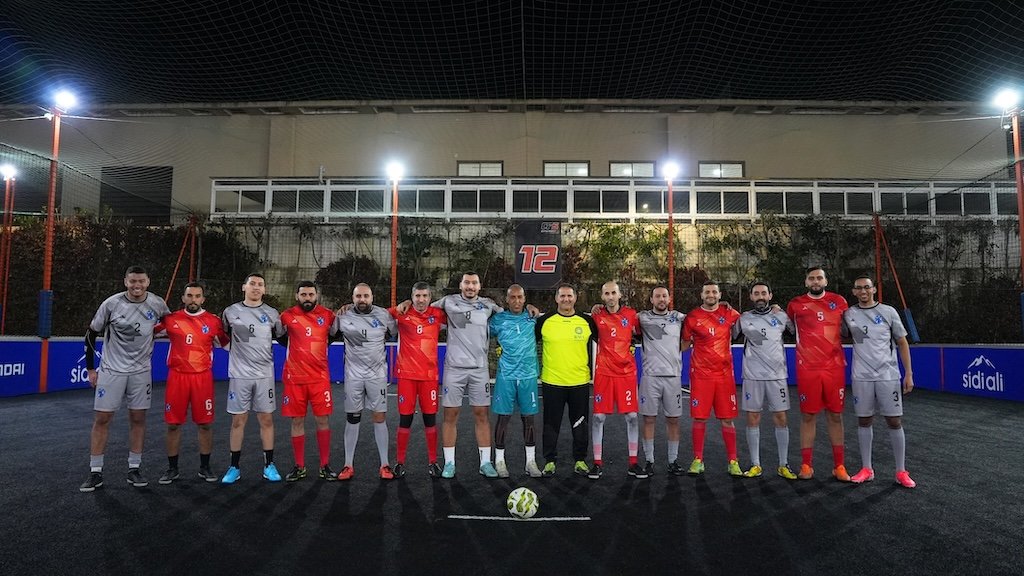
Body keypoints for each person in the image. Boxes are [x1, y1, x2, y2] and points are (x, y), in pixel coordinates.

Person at [80, 265, 171, 492]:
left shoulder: (157, 303)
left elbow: (172, 326)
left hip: (141, 371)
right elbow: (91, 333)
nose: (137, 285)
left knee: (138, 418)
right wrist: (91, 369)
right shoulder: (112, 304)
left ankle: (134, 469)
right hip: (111, 370)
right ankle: (95, 472)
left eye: (141, 281)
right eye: (132, 281)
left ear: (148, 282)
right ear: (125, 282)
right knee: (102, 419)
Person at [410, 272, 502, 478]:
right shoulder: (448, 302)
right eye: (467, 283)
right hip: (454, 369)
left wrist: (530, 309)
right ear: (460, 285)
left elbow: (511, 313)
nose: (470, 286)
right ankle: (449, 463)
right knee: (450, 415)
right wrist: (408, 303)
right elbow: (422, 307)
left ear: (479, 286)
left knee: (482, 415)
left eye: (474, 283)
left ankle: (485, 463)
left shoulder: (488, 305)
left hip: (479, 369)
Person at [843, 275, 916, 488]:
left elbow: (902, 342)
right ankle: (867, 469)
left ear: (874, 289)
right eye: (859, 288)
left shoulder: (888, 312)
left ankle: (901, 471)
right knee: (864, 420)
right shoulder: (848, 314)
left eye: (867, 287)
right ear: (854, 292)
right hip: (861, 376)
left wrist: (909, 373)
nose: (863, 291)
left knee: (894, 421)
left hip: (888, 375)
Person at [155, 281, 228, 484]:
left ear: (203, 299)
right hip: (177, 377)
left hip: (202, 378)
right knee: (173, 425)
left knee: (205, 424)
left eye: (197, 296)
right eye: (189, 296)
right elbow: (147, 333)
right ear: (183, 298)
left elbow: (227, 344)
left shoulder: (213, 321)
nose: (193, 300)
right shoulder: (171, 319)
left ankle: (205, 467)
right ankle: (172, 469)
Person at [786, 266, 851, 482]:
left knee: (835, 415)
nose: (815, 281)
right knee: (808, 416)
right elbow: (786, 326)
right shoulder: (795, 305)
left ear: (825, 281)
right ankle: (806, 465)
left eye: (819, 278)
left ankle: (839, 466)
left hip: (834, 368)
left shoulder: (839, 301)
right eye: (812, 278)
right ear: (806, 282)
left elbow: (849, 328)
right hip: (808, 369)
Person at [220, 273, 283, 484]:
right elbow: (222, 336)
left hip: (264, 375)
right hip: (240, 375)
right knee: (238, 421)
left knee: (266, 420)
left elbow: (281, 336)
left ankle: (269, 465)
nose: (256, 287)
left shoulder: (272, 314)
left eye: (260, 285)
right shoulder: (230, 312)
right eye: (252, 284)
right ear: (244, 287)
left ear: (264, 290)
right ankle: (234, 467)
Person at [335, 283, 398, 480]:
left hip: (377, 376)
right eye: (358, 296)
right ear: (352, 298)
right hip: (353, 377)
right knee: (352, 419)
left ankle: (385, 465)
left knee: (379, 417)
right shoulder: (343, 316)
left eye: (365, 296)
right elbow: (329, 334)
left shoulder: (383, 315)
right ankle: (348, 465)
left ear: (372, 297)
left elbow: (394, 333)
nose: (362, 299)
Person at [535, 283, 598, 477]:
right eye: (562, 296)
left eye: (569, 296)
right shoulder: (544, 321)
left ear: (575, 298)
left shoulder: (587, 321)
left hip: (579, 382)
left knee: (580, 423)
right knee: (550, 424)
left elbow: (607, 341)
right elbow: (527, 343)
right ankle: (549, 461)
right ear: (556, 298)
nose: (566, 299)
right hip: (552, 382)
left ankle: (580, 460)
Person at [279, 281, 338, 482]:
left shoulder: (328, 315)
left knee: (322, 421)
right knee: (297, 421)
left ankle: (324, 466)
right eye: (303, 294)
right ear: (297, 296)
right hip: (294, 379)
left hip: (319, 379)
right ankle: (299, 466)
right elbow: (280, 338)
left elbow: (334, 335)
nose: (307, 298)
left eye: (311, 294)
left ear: (316, 296)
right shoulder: (287, 316)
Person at [738, 282, 798, 480]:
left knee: (781, 417)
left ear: (770, 295)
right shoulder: (743, 318)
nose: (760, 296)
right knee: (753, 418)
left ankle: (783, 464)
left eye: (764, 293)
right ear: (751, 296)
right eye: (756, 293)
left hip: (777, 376)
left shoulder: (781, 316)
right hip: (752, 376)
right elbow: (727, 333)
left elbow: (798, 332)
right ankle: (755, 464)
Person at [682, 280, 742, 476]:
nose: (710, 295)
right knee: (700, 418)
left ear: (720, 295)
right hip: (701, 376)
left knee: (727, 419)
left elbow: (750, 322)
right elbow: (684, 344)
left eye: (714, 292)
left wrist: (775, 308)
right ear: (701, 295)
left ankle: (733, 461)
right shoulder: (692, 317)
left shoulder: (730, 313)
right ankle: (698, 460)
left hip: (724, 376)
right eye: (707, 292)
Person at [588, 281, 645, 479]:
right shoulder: (596, 315)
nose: (610, 297)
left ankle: (633, 463)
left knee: (632, 417)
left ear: (620, 295)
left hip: (626, 374)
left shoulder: (631, 315)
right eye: (607, 293)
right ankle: (597, 463)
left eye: (613, 293)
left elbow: (641, 334)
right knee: (598, 418)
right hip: (604, 373)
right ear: (602, 296)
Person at [390, 282, 446, 479]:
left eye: (425, 296)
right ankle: (399, 462)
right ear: (412, 297)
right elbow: (378, 314)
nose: (421, 300)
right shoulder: (401, 312)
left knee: (430, 420)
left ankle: (433, 462)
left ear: (430, 297)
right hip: (406, 376)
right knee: (405, 420)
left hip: (429, 377)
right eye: (417, 296)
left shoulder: (438, 314)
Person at [489, 284, 543, 478]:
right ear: (507, 299)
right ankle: (499, 461)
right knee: (503, 418)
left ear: (525, 298)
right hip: (506, 376)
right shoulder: (498, 320)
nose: (517, 301)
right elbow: (479, 331)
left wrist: (533, 309)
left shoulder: (532, 318)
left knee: (529, 419)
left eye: (520, 297)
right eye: (513, 297)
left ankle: (531, 462)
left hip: (528, 376)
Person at [637, 286, 686, 476]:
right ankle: (649, 460)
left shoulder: (679, 317)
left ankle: (673, 461)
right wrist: (599, 308)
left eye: (664, 296)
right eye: (657, 296)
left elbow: (701, 319)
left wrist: (723, 305)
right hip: (650, 377)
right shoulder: (642, 318)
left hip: (673, 377)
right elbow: (619, 317)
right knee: (649, 419)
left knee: (673, 420)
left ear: (669, 298)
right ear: (651, 299)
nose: (661, 299)